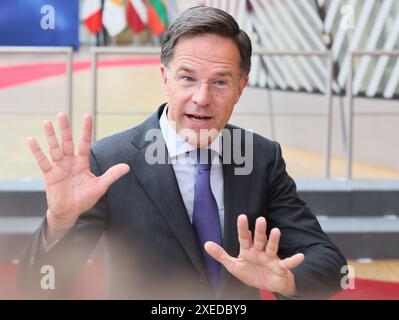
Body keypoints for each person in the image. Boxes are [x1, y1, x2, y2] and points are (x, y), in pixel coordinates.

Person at [18, 6, 347, 300]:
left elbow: (329, 263)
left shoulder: (260, 158)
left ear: (241, 87)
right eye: (187, 78)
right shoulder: (110, 162)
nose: (202, 97)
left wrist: (286, 281)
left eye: (220, 82)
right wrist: (58, 224)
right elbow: (43, 287)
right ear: (165, 78)